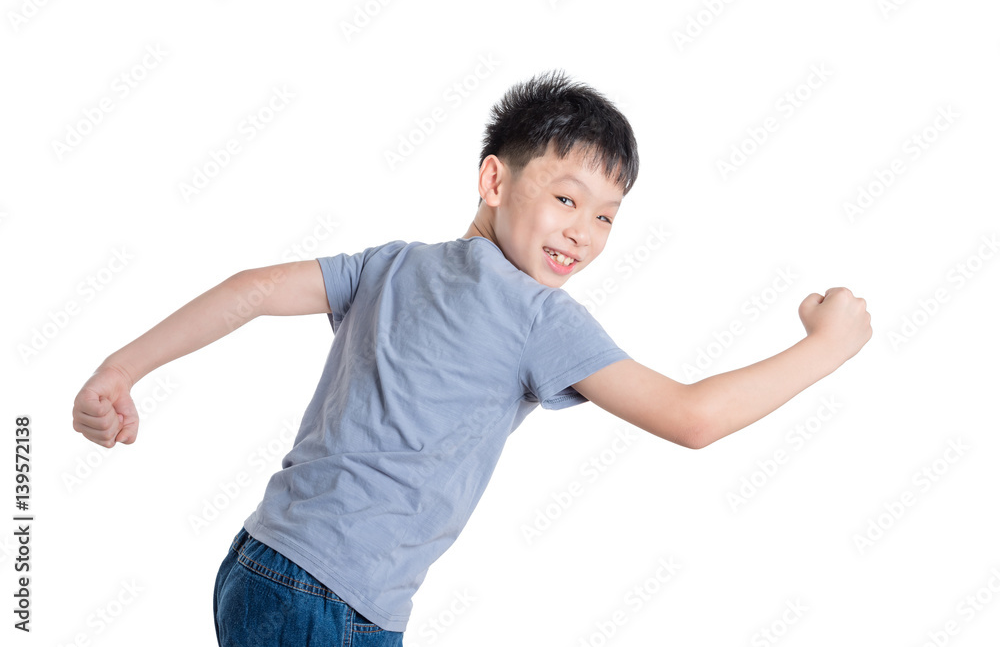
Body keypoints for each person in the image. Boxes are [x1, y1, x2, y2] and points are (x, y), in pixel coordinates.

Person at [71, 69, 872, 645]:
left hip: (260, 566)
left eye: (605, 218)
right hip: (331, 604)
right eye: (565, 198)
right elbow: (691, 417)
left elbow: (251, 289)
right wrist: (826, 347)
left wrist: (122, 367)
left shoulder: (390, 264)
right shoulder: (536, 315)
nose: (581, 234)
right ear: (495, 179)